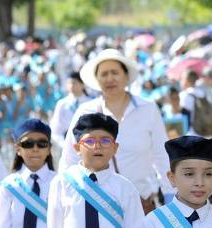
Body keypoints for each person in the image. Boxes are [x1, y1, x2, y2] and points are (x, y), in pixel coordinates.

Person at [62, 49, 173, 213]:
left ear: (126, 77)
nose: (110, 79)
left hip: (141, 204)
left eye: (115, 72)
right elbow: (69, 159)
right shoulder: (86, 111)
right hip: (95, 206)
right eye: (104, 74)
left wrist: (171, 194)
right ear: (97, 80)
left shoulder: (148, 109)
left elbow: (162, 156)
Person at [48, 71, 93, 148]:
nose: (71, 86)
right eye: (69, 83)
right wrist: (64, 144)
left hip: (89, 143)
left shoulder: (91, 103)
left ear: (82, 85)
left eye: (74, 83)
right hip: (68, 143)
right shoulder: (62, 104)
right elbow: (55, 129)